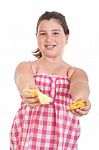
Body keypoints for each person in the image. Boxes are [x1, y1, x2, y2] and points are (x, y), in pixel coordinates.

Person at [10, 11, 91, 149]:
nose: (49, 38)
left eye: (55, 33)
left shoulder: (74, 72)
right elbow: (23, 79)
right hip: (30, 140)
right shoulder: (28, 66)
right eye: (43, 34)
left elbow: (80, 85)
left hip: (63, 140)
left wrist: (81, 100)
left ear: (66, 37)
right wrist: (27, 91)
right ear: (36, 37)